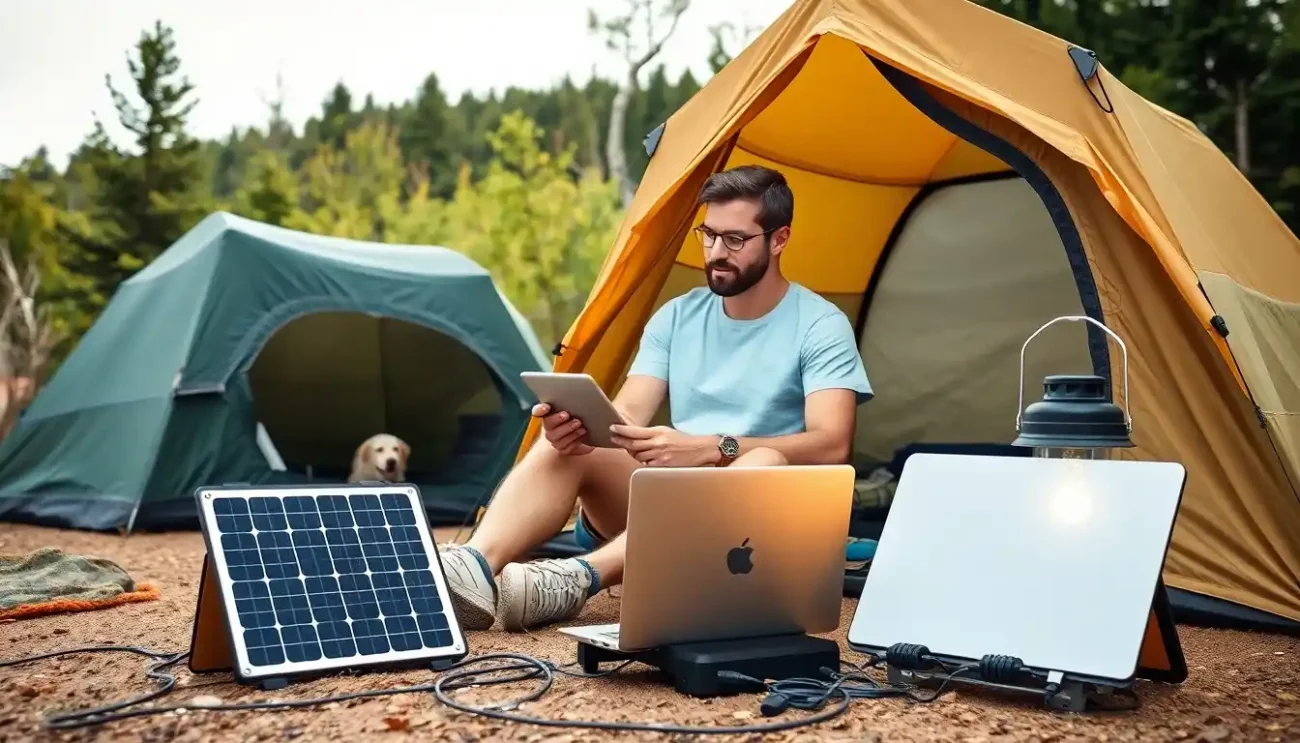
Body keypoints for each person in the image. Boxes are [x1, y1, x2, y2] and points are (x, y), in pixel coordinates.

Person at [439, 164, 872, 632]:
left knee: (765, 461)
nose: (715, 253)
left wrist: (711, 447)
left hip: (762, 526)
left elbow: (832, 444)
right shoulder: (677, 317)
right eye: (708, 235)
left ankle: (580, 577)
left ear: (779, 239)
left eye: (735, 240)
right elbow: (625, 416)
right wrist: (577, 426)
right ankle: (474, 569)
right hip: (670, 502)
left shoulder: (820, 325)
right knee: (574, 443)